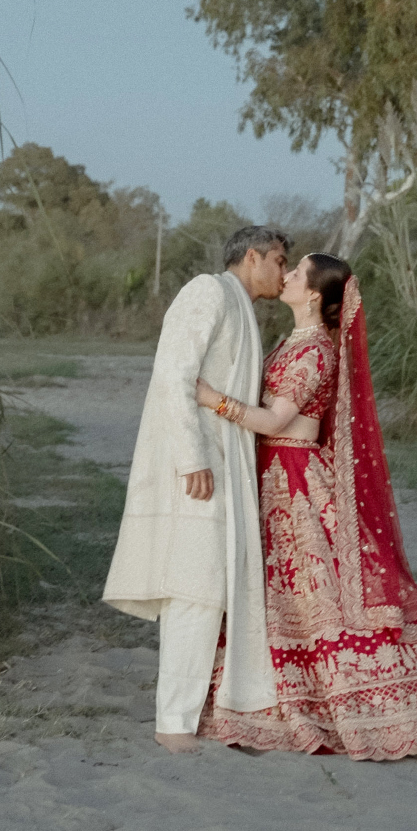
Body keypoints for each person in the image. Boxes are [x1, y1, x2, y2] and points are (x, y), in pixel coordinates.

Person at [193, 253, 417, 760]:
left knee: (318, 592)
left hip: (295, 479)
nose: (287, 276)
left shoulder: (315, 351)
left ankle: (367, 704)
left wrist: (212, 399)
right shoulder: (291, 341)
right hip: (273, 472)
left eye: (297, 272)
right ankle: (268, 695)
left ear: (314, 293)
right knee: (281, 592)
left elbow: (274, 421)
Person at [102, 226, 290, 754]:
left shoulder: (241, 306)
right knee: (195, 586)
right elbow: (173, 374)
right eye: (278, 260)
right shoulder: (207, 290)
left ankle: (201, 712)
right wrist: (191, 458)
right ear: (251, 257)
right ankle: (173, 722)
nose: (282, 272)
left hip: (225, 460)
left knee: (213, 584)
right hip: (198, 462)